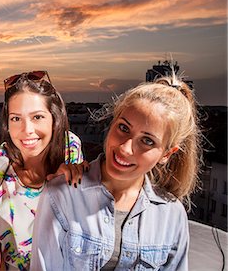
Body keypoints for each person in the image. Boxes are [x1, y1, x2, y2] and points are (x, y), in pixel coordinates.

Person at [31, 75, 202, 270]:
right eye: (123, 128)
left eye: (147, 141)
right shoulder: (61, 195)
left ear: (166, 154)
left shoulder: (172, 214)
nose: (125, 148)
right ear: (112, 124)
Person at [0, 71, 85, 270]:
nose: (27, 129)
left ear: (54, 118)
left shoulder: (69, 149)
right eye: (16, 119)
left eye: (37, 117)